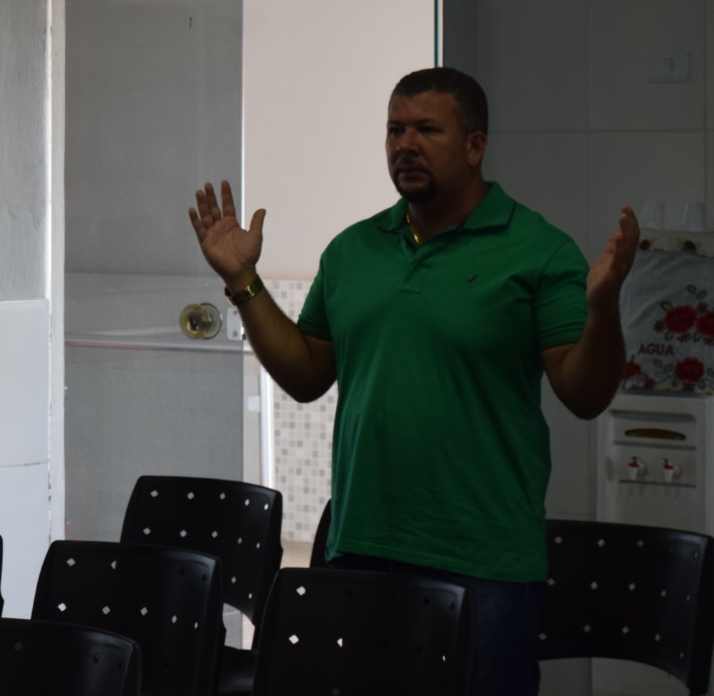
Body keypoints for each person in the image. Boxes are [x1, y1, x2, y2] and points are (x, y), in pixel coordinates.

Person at [189, 67, 638, 696]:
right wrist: (243, 283)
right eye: (395, 130)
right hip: (361, 546)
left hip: (484, 560)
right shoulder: (352, 250)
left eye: (427, 129)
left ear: (475, 145)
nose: (406, 145)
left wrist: (603, 309)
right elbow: (307, 373)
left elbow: (585, 395)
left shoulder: (538, 250)